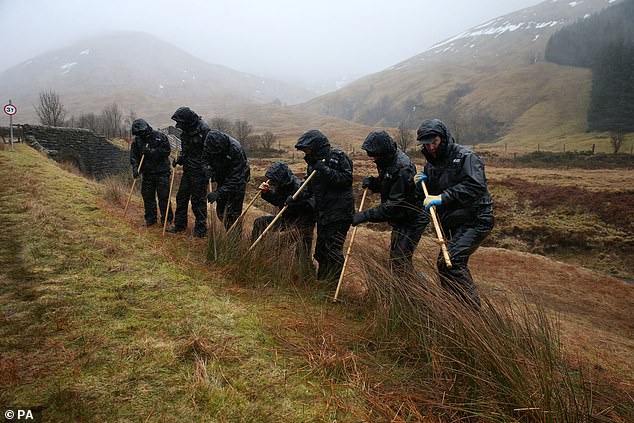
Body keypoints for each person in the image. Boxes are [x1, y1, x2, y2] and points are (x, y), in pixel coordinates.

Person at [416, 118, 494, 307]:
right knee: (446, 264)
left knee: (452, 261)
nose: (431, 148)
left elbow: (475, 186)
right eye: (426, 144)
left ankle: (472, 313)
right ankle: (453, 308)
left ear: (443, 138)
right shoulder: (432, 164)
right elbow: (433, 192)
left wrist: (443, 197)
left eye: (434, 142)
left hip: (476, 218)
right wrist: (423, 185)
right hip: (454, 221)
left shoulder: (466, 157)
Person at [352, 130, 426, 275]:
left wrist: (364, 216)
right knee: (397, 260)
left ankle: (422, 292)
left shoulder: (402, 168)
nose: (373, 159)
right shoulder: (387, 161)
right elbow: (388, 184)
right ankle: (408, 291)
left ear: (383, 151)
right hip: (401, 217)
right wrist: (374, 183)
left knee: (400, 260)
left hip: (412, 218)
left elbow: (393, 206)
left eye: (375, 155)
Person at [293, 129, 354, 282]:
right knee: (320, 252)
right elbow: (308, 187)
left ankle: (332, 285)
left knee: (333, 251)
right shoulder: (312, 164)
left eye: (307, 149)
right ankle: (321, 283)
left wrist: (324, 170)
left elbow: (346, 180)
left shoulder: (338, 157)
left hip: (339, 213)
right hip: (323, 213)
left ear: (316, 147)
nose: (306, 153)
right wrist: (294, 198)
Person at [252, 161, 316, 263]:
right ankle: (254, 252)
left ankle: (307, 274)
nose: (273, 183)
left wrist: (295, 202)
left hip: (302, 225)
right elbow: (279, 201)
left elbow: (310, 206)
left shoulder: (299, 187)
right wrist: (266, 193)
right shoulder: (281, 186)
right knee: (259, 222)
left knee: (302, 258)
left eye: (274, 181)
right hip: (287, 220)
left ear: (281, 177)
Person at [166, 107, 210, 238]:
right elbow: (186, 151)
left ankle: (200, 231)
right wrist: (179, 159)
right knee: (181, 198)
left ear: (187, 121)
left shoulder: (204, 130)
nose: (177, 126)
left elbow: (209, 151)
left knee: (198, 201)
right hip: (188, 170)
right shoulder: (185, 132)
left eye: (180, 123)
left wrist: (208, 168)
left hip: (200, 172)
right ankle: (180, 225)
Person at [202, 129, 250, 231]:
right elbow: (205, 158)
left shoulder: (236, 150)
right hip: (222, 177)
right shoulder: (209, 144)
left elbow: (236, 179)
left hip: (238, 180)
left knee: (233, 213)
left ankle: (235, 241)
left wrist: (218, 193)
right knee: (221, 211)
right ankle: (229, 231)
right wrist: (207, 168)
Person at [129, 118, 173, 227]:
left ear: (146, 129)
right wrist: (135, 168)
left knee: (163, 197)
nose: (140, 135)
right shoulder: (137, 141)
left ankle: (167, 220)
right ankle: (150, 219)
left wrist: (151, 152)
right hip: (147, 173)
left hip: (162, 172)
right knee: (148, 197)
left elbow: (166, 151)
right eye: (138, 133)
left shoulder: (159, 137)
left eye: (142, 132)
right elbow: (134, 157)